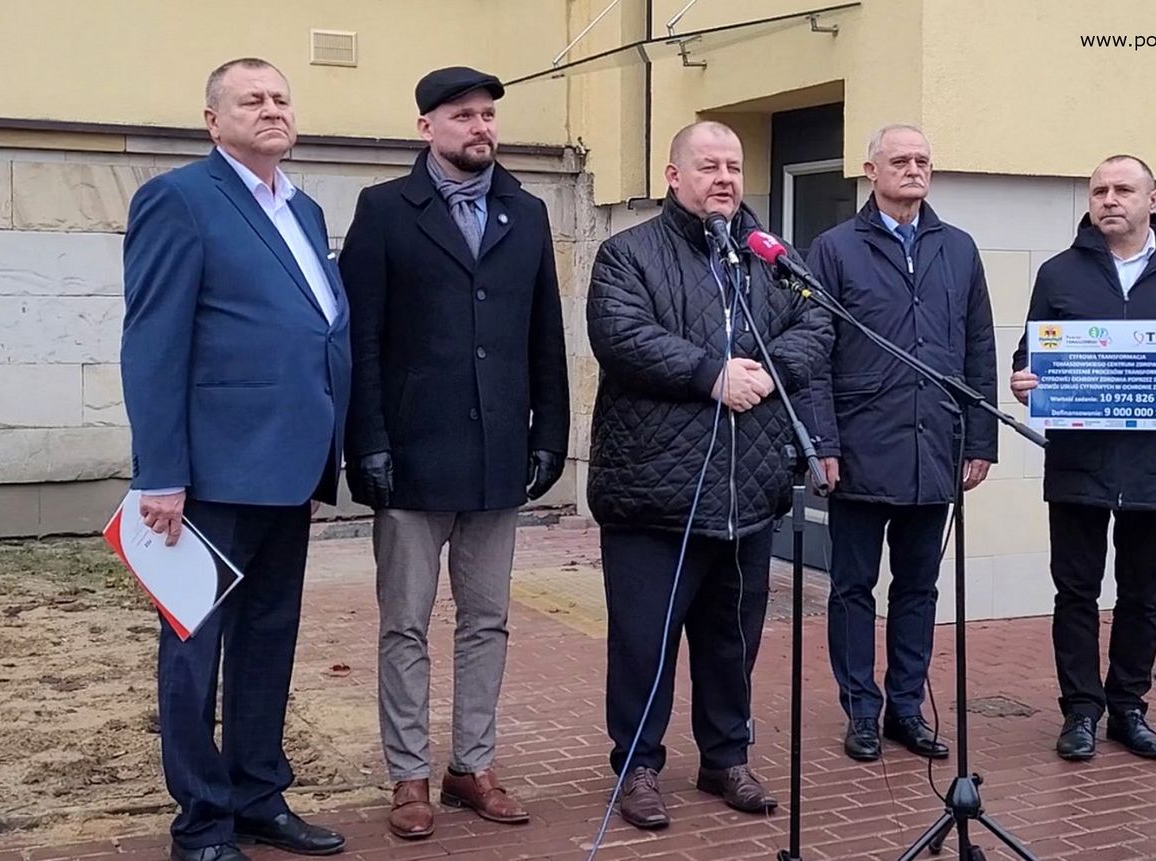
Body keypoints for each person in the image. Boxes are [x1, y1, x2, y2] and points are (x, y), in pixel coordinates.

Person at [121, 57, 350, 861]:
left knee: (268, 642)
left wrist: (323, 452)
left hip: (289, 471)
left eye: (281, 97)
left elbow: (318, 330)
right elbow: (153, 342)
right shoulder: (180, 199)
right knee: (195, 655)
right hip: (209, 478)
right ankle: (202, 824)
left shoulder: (304, 208)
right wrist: (161, 473)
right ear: (213, 120)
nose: (272, 109)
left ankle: (258, 797)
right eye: (252, 99)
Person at [338, 66, 570, 841]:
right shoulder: (383, 211)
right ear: (427, 127)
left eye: (487, 115)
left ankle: (472, 764)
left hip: (498, 454)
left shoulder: (525, 212)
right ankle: (409, 773)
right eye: (463, 115)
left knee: (487, 619)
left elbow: (545, 334)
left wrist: (550, 433)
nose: (480, 127)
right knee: (405, 623)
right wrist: (366, 441)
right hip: (410, 457)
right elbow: (361, 339)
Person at [586, 120, 832, 830]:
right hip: (651, 494)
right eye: (709, 166)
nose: (725, 178)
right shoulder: (627, 253)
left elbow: (818, 323)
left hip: (747, 492)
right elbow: (622, 336)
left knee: (732, 640)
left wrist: (767, 373)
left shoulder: (770, 255)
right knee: (645, 643)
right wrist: (709, 373)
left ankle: (726, 757)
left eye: (734, 166)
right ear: (674, 176)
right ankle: (638, 765)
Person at [1010, 154, 1156, 762]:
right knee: (1075, 593)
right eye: (1099, 191)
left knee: (1142, 595)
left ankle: (1128, 708)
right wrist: (1024, 378)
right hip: (1078, 463)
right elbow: (1029, 352)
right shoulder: (1059, 273)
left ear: (1153, 200)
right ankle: (1079, 711)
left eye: (1123, 189)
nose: (1110, 200)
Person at [804, 124, 997, 763]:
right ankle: (861, 711)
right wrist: (821, 442)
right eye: (900, 160)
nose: (914, 170)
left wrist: (980, 439)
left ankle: (906, 709)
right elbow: (815, 352)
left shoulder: (958, 248)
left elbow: (979, 346)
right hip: (860, 448)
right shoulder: (834, 248)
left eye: (922, 161)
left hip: (934, 449)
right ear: (871, 171)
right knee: (852, 589)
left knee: (918, 590)